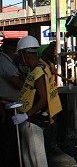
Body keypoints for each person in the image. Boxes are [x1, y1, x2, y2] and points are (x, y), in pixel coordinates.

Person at [12, 36, 62, 167]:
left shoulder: (38, 70)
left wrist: (25, 115)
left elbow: (43, 99)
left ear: (25, 54)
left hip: (33, 120)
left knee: (36, 158)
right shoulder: (36, 69)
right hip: (30, 119)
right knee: (28, 157)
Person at [0, 38, 25, 167]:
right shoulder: (3, 62)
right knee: (8, 141)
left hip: (10, 104)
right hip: (6, 105)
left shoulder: (9, 62)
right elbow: (16, 82)